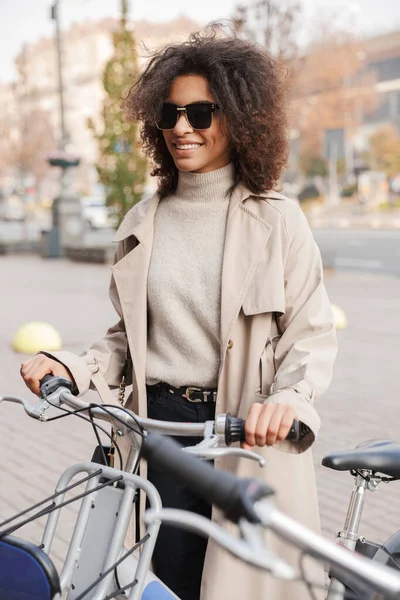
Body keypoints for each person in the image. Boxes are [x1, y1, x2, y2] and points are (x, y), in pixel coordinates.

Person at [21, 27, 337, 600]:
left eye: (200, 113)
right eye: (169, 115)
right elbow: (126, 338)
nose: (182, 128)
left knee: (244, 584)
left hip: (244, 434)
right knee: (166, 582)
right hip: (159, 433)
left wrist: (289, 402)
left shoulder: (278, 221)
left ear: (240, 118)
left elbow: (310, 335)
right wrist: (73, 366)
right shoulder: (144, 220)